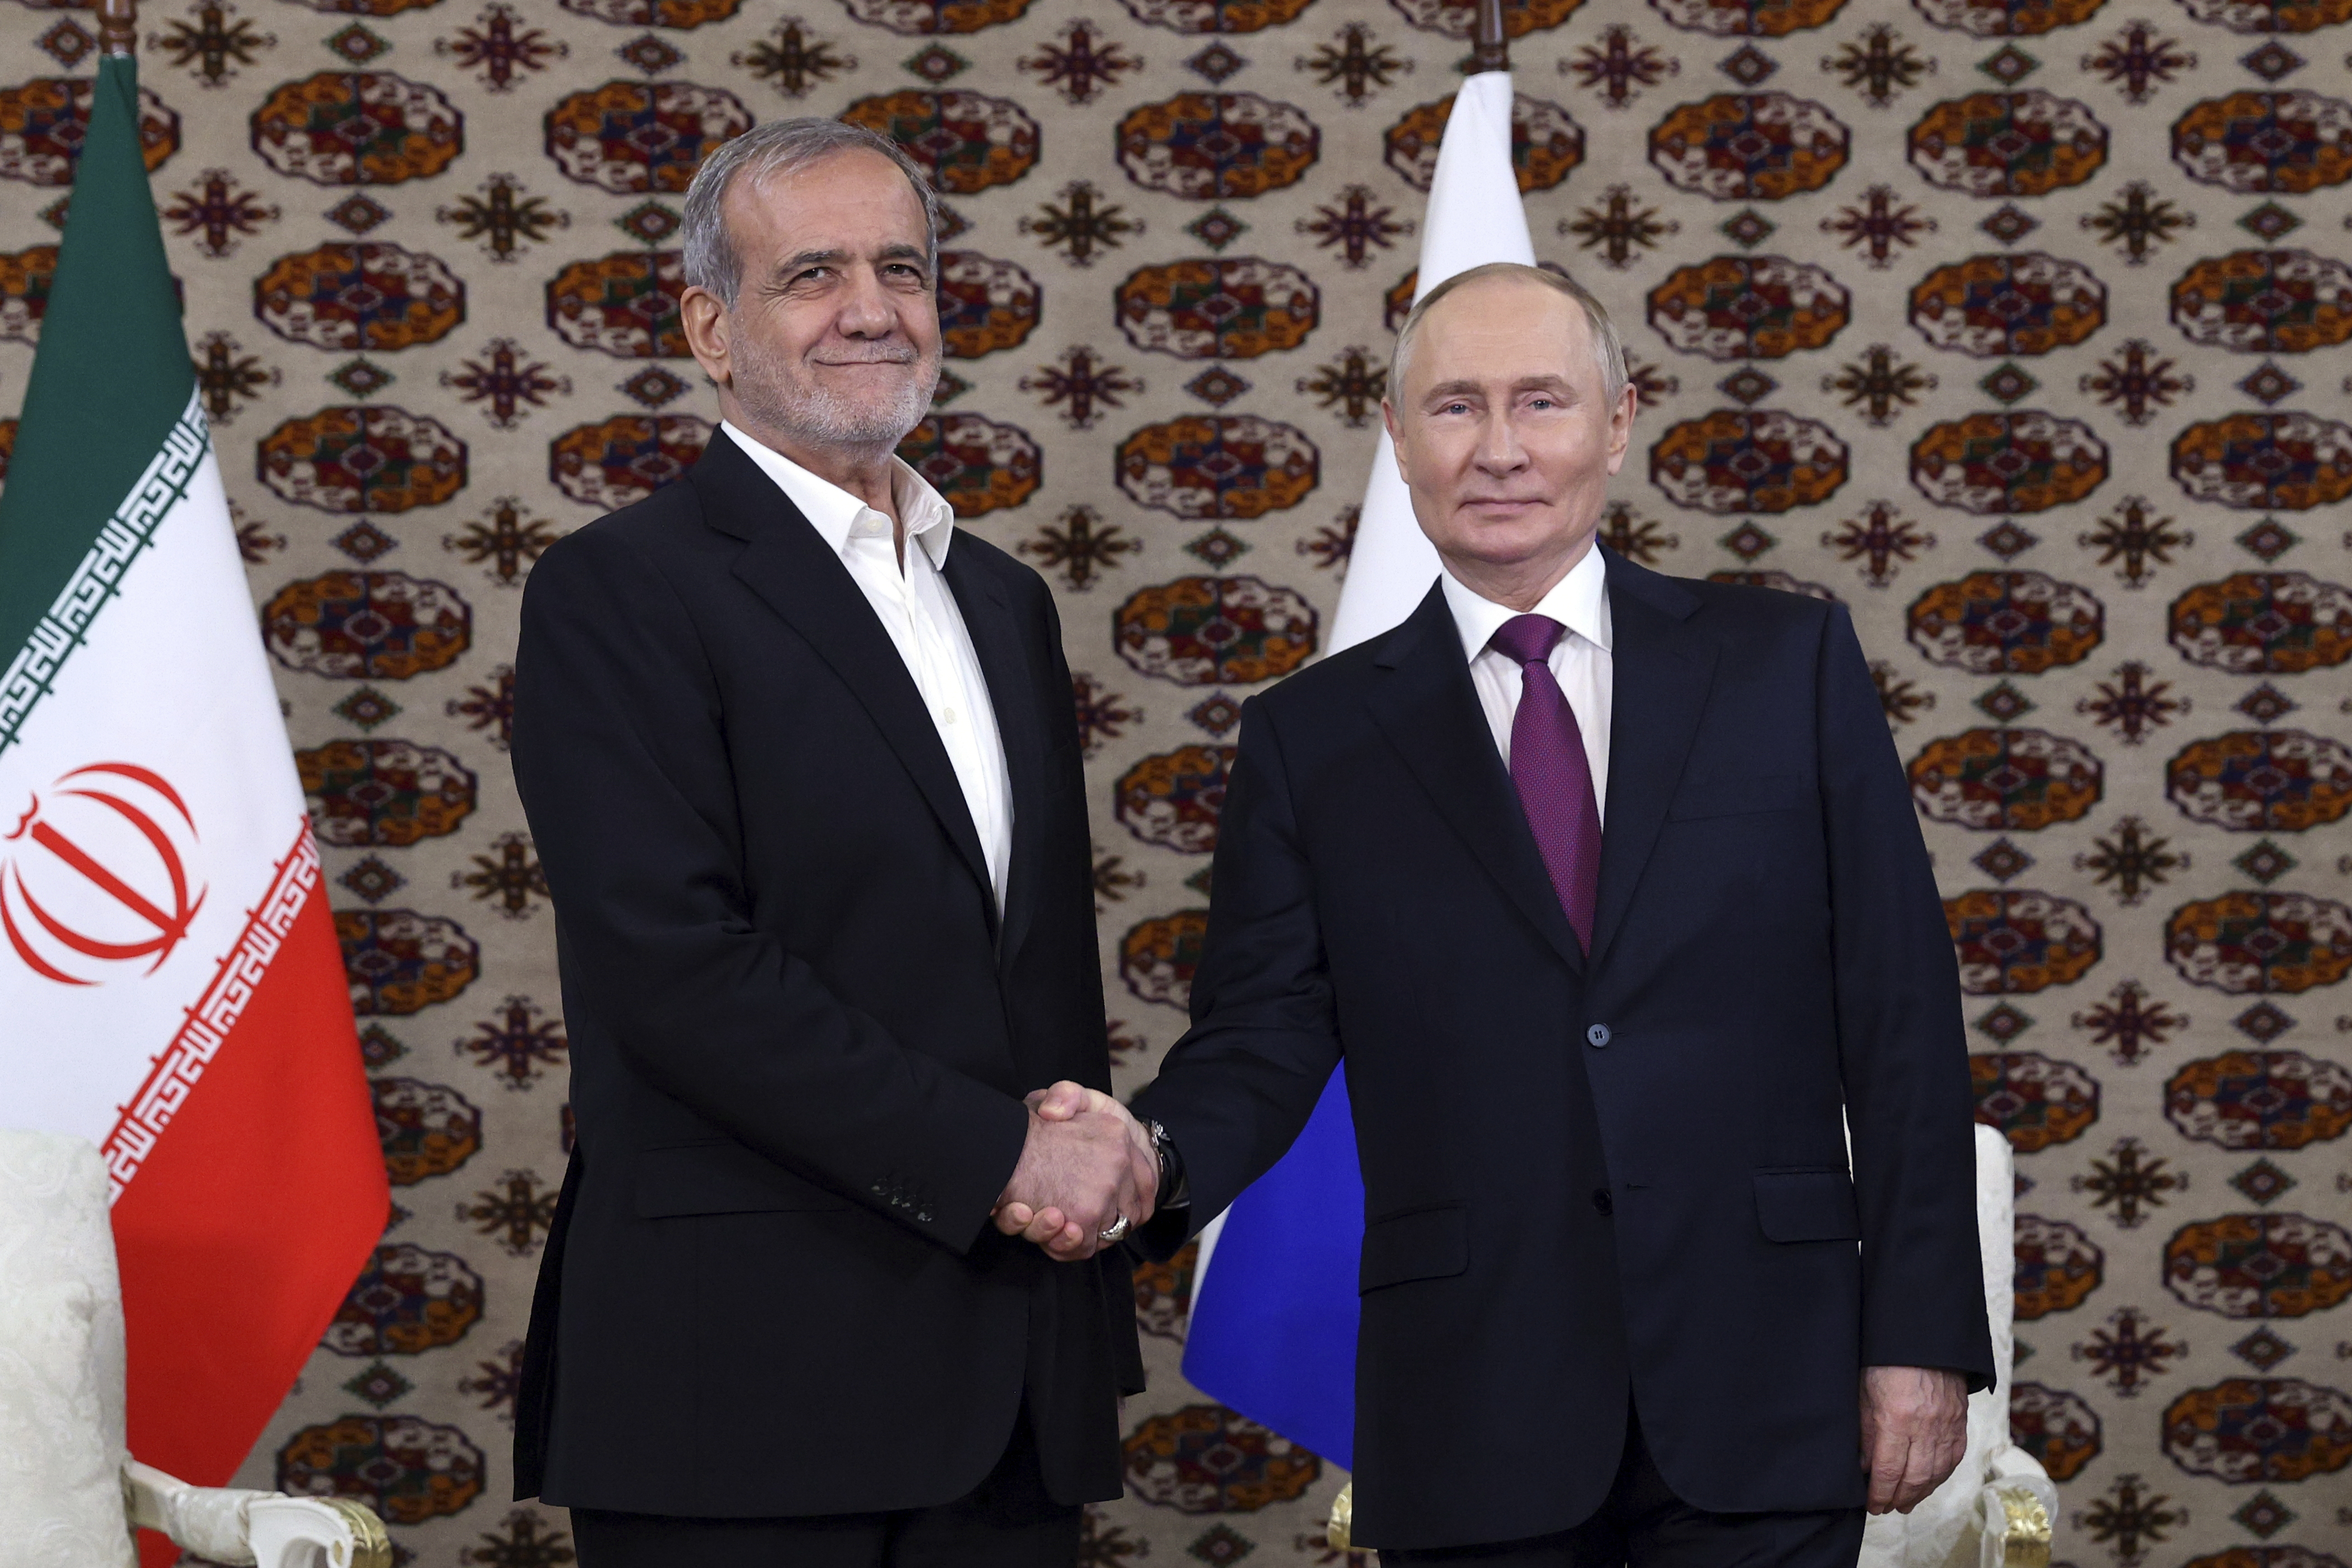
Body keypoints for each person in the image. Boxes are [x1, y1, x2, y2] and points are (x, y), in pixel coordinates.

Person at [1012, 263, 1993, 1566]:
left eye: (1540, 402)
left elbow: (1903, 1023)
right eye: (1457, 406)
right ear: (1398, 435)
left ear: (1618, 420)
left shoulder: (1785, 667)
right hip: (1475, 1401)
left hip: (1764, 1381)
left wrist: (1918, 1337)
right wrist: (1148, 1161)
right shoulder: (1314, 739)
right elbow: (1263, 1034)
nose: (1500, 449)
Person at [507, 118, 1158, 1567]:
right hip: (741, 1390)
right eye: (812, 273)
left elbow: (1024, 975)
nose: (871, 307)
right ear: (710, 329)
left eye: (901, 268)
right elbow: (677, 971)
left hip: (1008, 1384)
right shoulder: (618, 594)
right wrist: (1005, 1153)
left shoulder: (1002, 602)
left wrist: (1088, 1179)